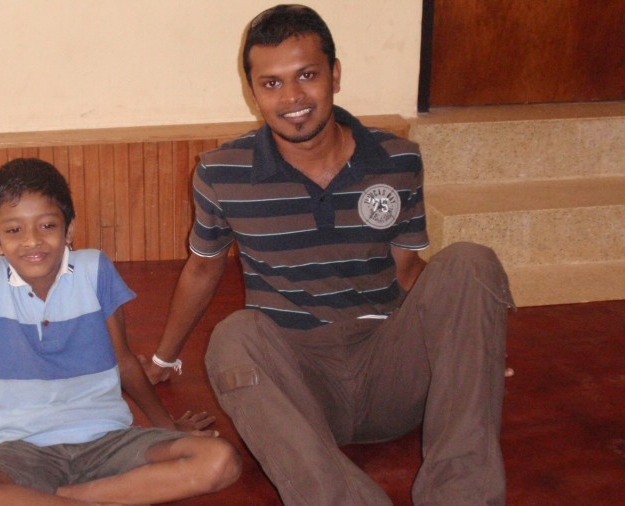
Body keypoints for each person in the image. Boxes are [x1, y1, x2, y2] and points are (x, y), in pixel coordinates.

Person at [143, 5, 514, 505]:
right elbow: (203, 269)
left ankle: (463, 496)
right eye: (271, 83)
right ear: (253, 92)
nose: (291, 98)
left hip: (391, 372)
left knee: (471, 261)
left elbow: (408, 270)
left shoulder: (397, 159)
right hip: (300, 391)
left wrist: (469, 335)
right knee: (234, 336)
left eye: (307, 75)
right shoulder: (221, 172)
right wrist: (163, 359)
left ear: (334, 75)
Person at [0, 158, 241, 505]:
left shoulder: (94, 270)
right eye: (14, 230)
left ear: (69, 228)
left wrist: (167, 429)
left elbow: (124, 361)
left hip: (107, 440)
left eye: (47, 225)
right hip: (21, 452)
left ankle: (68, 498)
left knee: (219, 460)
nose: (32, 241)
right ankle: (108, 497)